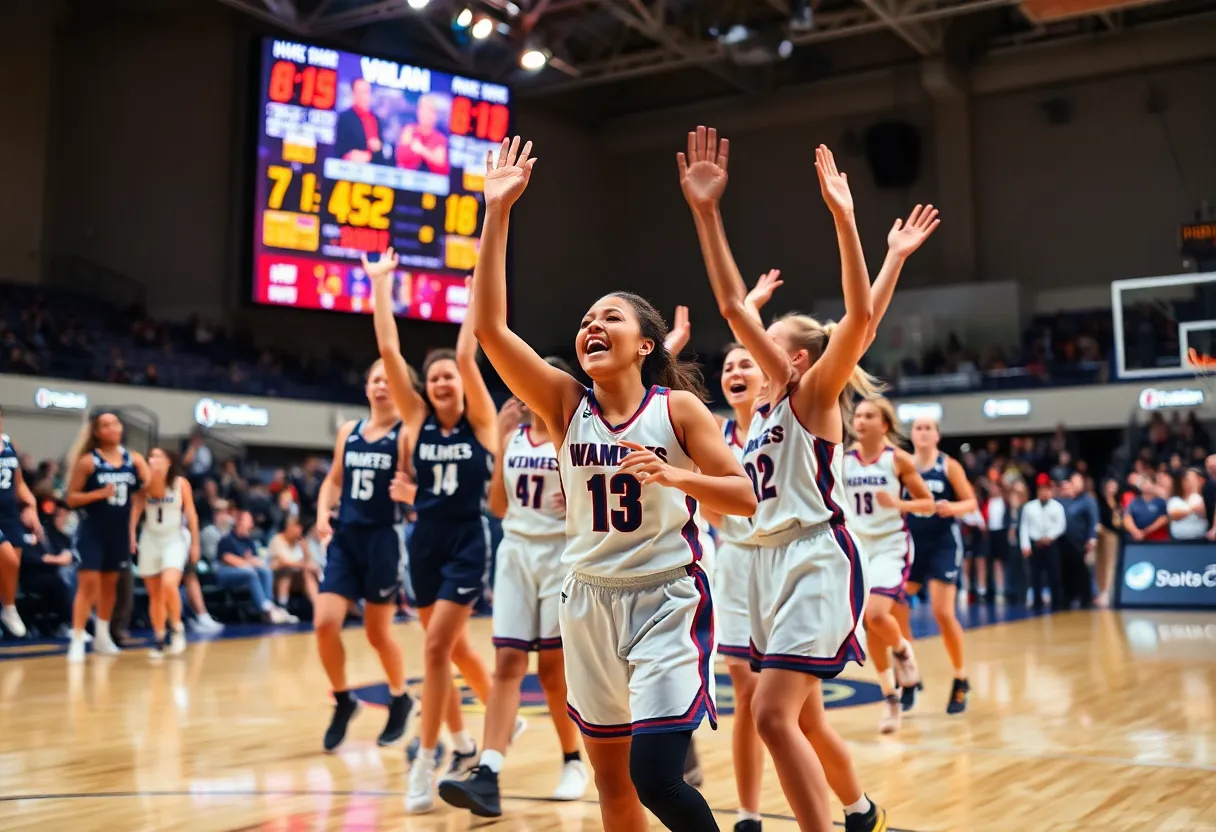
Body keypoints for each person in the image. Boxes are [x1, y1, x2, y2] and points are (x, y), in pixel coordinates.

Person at [471, 135, 756, 832]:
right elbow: (488, 328)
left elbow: (744, 498)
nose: (593, 324)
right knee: (613, 787)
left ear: (645, 343)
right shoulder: (567, 404)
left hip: (665, 597)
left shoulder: (677, 409)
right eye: (587, 319)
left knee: (655, 773)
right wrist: (496, 213)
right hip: (587, 600)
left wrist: (675, 475)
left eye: (611, 317)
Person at [681, 128, 893, 832]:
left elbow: (859, 318)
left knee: (771, 715)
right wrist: (707, 215)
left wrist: (846, 218)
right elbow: (730, 304)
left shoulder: (811, 397)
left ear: (798, 359)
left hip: (813, 557)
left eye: (767, 344)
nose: (750, 346)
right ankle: (856, 816)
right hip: (764, 561)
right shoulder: (760, 411)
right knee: (781, 719)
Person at [363, 249, 496, 812]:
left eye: (450, 377)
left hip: (468, 539)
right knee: (452, 649)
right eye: (435, 377)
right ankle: (475, 736)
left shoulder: (483, 420)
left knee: (437, 646)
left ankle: (425, 757)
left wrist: (470, 304)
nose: (443, 382)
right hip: (423, 542)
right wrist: (381, 284)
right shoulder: (414, 420)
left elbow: (468, 353)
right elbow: (389, 350)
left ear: (461, 386)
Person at [439, 386, 589, 817]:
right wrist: (502, 444)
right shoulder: (516, 436)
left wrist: (575, 494)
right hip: (516, 555)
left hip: (559, 556)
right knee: (506, 663)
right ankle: (488, 772)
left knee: (551, 674)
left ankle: (572, 759)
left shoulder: (576, 437)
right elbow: (498, 506)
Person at [313, 360, 413, 752]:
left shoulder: (406, 434)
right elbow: (335, 479)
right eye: (375, 379)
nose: (381, 386)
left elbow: (412, 483)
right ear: (366, 387)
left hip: (383, 540)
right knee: (324, 624)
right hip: (346, 539)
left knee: (376, 633)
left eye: (389, 380)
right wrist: (323, 512)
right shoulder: (348, 432)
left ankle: (400, 697)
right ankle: (342, 699)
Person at [845, 397, 935, 734]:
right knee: (870, 628)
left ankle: (903, 651)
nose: (861, 421)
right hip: (859, 548)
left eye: (869, 416)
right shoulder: (844, 461)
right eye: (858, 416)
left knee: (877, 614)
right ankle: (890, 697)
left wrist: (897, 502)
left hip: (891, 546)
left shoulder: (897, 459)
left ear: (884, 425)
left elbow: (927, 504)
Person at [899, 417, 977, 715]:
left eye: (928, 428)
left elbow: (970, 502)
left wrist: (951, 507)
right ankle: (910, 675)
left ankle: (960, 678)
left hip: (943, 543)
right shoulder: (903, 463)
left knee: (942, 613)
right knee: (895, 612)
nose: (922, 432)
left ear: (937, 435)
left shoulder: (949, 466)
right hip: (911, 544)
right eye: (918, 428)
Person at [64, 411, 149, 662]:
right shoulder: (89, 462)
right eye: (107, 425)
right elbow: (70, 498)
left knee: (110, 586)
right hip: (92, 531)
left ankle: (103, 635)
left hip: (119, 532)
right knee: (88, 584)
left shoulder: (133, 459)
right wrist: (98, 495)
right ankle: (78, 637)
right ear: (97, 432)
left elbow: (146, 491)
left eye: (116, 423)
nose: (113, 428)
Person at [129, 448, 199, 659]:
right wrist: (131, 534)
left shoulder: (180, 484)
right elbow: (136, 509)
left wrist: (195, 543)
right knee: (155, 594)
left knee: (169, 584)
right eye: (150, 456)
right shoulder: (145, 483)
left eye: (158, 456)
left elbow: (191, 514)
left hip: (174, 538)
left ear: (169, 461)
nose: (152, 459)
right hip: (150, 537)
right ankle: (159, 637)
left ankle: (177, 629)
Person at [215, 510, 297, 624]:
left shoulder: (249, 541)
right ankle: (265, 609)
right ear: (239, 522)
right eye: (248, 521)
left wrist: (252, 562)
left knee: (265, 571)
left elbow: (254, 559)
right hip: (225, 573)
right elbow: (228, 559)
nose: (251, 525)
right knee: (251, 573)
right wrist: (247, 562)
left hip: (246, 571)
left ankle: (270, 605)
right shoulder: (227, 540)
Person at [0, 409, 40, 637]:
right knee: (9, 560)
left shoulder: (8, 443)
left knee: (11, 564)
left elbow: (19, 482)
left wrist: (31, 505)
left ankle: (8, 607)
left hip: (9, 513)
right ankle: (8, 608)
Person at [1019, 473, 1066, 611]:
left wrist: (1049, 537)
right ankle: (1037, 602)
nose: (1043, 492)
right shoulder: (1029, 507)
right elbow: (1024, 527)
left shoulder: (1057, 507)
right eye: (1041, 489)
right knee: (1035, 575)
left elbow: (1061, 525)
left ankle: (1057, 602)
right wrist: (1025, 545)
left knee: (1054, 574)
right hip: (1035, 543)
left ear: (1050, 491)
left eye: (1046, 489)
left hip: (1051, 543)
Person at [1058, 472, 1098, 609]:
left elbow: (1094, 520)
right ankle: (1068, 597)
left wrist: (1092, 538)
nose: (1076, 485)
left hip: (1081, 542)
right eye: (1073, 482)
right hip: (1064, 542)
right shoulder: (1063, 500)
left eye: (1078, 482)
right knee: (1066, 571)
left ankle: (1086, 598)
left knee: (1083, 571)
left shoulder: (1087, 500)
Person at [268, 515, 320, 608]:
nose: (299, 532)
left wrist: (305, 551)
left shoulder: (299, 543)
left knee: (307, 573)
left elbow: (307, 562)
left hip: (295, 579)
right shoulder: (277, 540)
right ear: (289, 528)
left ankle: (318, 606)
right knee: (287, 572)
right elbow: (283, 563)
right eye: (297, 528)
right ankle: (282, 605)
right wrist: (304, 565)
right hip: (275, 579)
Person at [396, 94, 450, 175]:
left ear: (435, 115)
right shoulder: (409, 130)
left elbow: (441, 166)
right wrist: (431, 155)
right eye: (423, 109)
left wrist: (422, 150)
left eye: (430, 111)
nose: (426, 114)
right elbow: (402, 157)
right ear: (418, 112)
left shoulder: (440, 139)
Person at [335, 78, 384, 163]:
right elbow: (339, 147)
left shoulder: (376, 119)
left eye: (367, 92)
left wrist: (377, 148)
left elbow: (382, 152)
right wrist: (350, 155)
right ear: (353, 94)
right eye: (360, 92)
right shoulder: (345, 118)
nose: (365, 96)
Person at [1094, 478, 1121, 607]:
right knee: (1100, 564)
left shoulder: (1117, 503)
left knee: (1111, 564)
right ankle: (1101, 590)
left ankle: (1108, 592)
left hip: (1114, 537)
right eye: (1109, 486)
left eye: (1114, 486)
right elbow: (1098, 521)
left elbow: (1118, 522)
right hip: (1102, 536)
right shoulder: (1100, 502)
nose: (1112, 488)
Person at [1124, 475, 1169, 543]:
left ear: (1154, 485)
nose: (1146, 485)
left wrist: (1146, 531)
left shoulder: (1161, 501)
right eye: (1144, 483)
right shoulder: (1135, 501)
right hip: (1138, 540)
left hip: (1158, 540)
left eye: (1149, 483)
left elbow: (1164, 518)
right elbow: (1127, 517)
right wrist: (1135, 531)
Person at [1168, 468, 1207, 540]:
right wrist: (1192, 509)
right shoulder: (1174, 500)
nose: (1187, 484)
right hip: (1178, 540)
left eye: (1189, 481)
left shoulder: (1199, 497)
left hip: (1200, 540)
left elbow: (1203, 512)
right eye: (1185, 482)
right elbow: (1174, 515)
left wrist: (1184, 511)